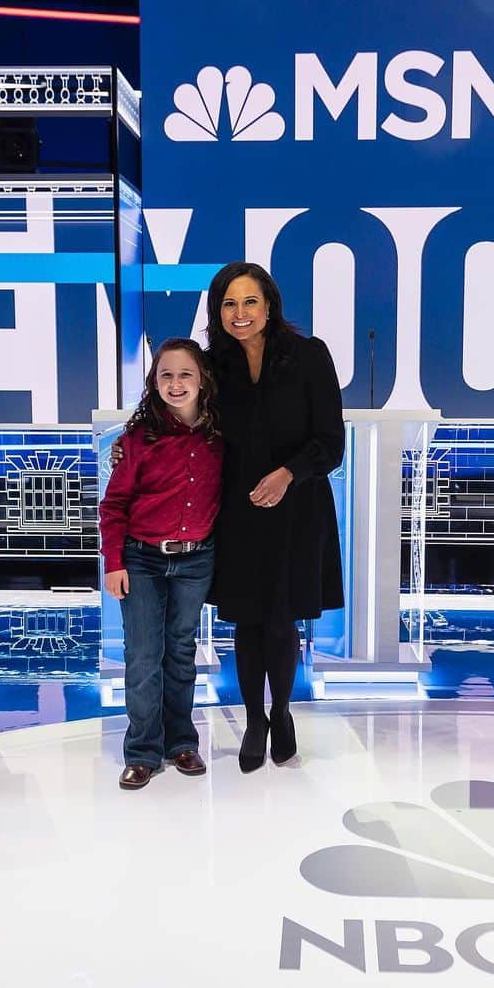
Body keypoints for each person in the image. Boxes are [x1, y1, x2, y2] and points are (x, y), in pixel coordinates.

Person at [205, 262, 345, 772]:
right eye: (228, 304)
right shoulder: (211, 365)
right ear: (217, 312)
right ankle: (254, 720)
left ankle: (282, 712)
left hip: (296, 507)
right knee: (246, 619)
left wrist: (288, 474)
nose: (239, 314)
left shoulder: (309, 356)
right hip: (238, 511)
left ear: (269, 306)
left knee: (282, 619)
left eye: (249, 302)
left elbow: (332, 443)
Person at [99, 338, 224, 790]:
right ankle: (142, 751)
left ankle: (181, 743)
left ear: (202, 380)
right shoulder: (138, 439)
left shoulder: (219, 437)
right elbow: (113, 506)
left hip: (196, 561)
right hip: (143, 560)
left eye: (185, 374)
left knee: (182, 653)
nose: (175, 384)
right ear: (154, 381)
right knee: (144, 656)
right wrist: (114, 562)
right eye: (166, 375)